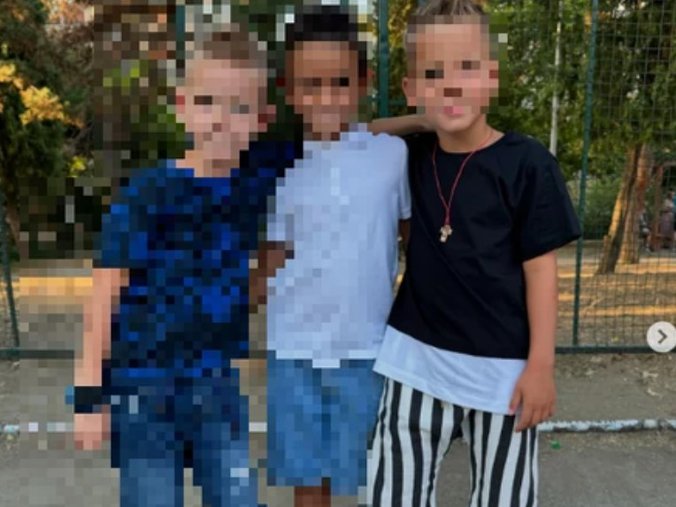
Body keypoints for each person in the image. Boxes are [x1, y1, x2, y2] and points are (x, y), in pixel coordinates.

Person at [71, 26, 298, 507]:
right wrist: (89, 395)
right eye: (207, 102)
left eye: (239, 107)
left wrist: (426, 120)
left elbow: (343, 136)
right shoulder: (147, 193)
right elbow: (105, 294)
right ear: (182, 106)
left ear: (262, 118)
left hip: (217, 385)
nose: (221, 120)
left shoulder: (257, 176)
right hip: (143, 391)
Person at [367, 1, 581, 505]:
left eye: (466, 68)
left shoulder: (527, 163)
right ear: (412, 89)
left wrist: (542, 366)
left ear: (492, 78)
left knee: (505, 496)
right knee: (391, 493)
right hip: (415, 360)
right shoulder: (412, 154)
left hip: (504, 371)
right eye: (433, 74)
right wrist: (426, 119)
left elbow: (541, 272)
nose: (451, 85)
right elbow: (368, 130)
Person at [264, 5, 411, 507]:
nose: (326, 97)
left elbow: (412, 241)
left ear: (363, 82)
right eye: (311, 84)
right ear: (288, 89)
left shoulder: (392, 156)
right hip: (292, 349)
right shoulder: (274, 166)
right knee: (310, 483)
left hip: (366, 349)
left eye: (340, 82)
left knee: (374, 477)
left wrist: (421, 119)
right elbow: (270, 255)